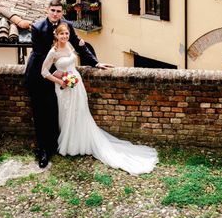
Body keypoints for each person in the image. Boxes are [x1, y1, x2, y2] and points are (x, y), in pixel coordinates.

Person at [42, 23, 158, 175]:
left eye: (67, 34)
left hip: (76, 83)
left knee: (81, 112)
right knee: (67, 113)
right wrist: (60, 80)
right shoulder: (53, 52)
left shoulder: (70, 44)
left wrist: (95, 62)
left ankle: (81, 141)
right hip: (64, 87)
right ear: (56, 35)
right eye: (62, 34)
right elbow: (44, 71)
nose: (65, 36)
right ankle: (71, 144)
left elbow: (78, 56)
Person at [25, 0, 111, 168]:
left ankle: (62, 143)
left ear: (62, 12)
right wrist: (59, 76)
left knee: (59, 112)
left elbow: (79, 45)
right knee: (42, 113)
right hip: (41, 76)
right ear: (47, 10)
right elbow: (43, 57)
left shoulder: (67, 26)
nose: (55, 14)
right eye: (53, 10)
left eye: (58, 11)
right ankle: (43, 150)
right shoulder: (37, 28)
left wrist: (95, 62)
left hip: (61, 77)